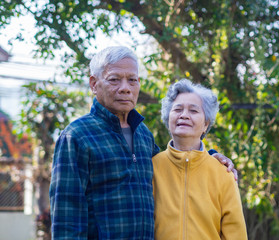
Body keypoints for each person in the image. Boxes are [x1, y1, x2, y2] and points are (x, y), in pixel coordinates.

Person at [49, 46, 237, 239]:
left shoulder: (143, 134)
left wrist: (211, 156)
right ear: (94, 84)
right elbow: (66, 221)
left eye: (132, 80)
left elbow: (173, 163)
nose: (125, 87)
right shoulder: (77, 136)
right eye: (114, 79)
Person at [153, 79, 248, 239]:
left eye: (193, 111)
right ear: (168, 119)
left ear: (206, 124)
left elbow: (235, 233)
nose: (184, 115)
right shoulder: (151, 167)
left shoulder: (223, 173)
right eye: (177, 109)